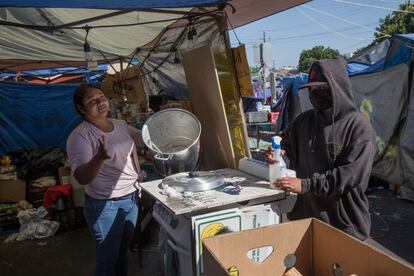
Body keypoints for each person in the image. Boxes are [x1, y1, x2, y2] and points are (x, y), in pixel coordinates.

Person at [266, 57, 376, 240]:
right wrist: (277, 155)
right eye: (312, 89)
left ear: (337, 88)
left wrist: (305, 184)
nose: (315, 93)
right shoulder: (303, 121)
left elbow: (348, 176)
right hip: (306, 218)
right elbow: (285, 146)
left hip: (343, 225)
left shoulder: (358, 127)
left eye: (322, 89)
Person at [66, 84, 147, 276]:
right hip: (104, 205)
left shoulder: (119, 124)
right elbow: (82, 177)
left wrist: (168, 134)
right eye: (92, 101)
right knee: (108, 259)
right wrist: (99, 158)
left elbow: (144, 139)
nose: (100, 102)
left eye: (101, 97)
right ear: (81, 108)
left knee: (122, 253)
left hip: (132, 198)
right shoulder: (80, 136)